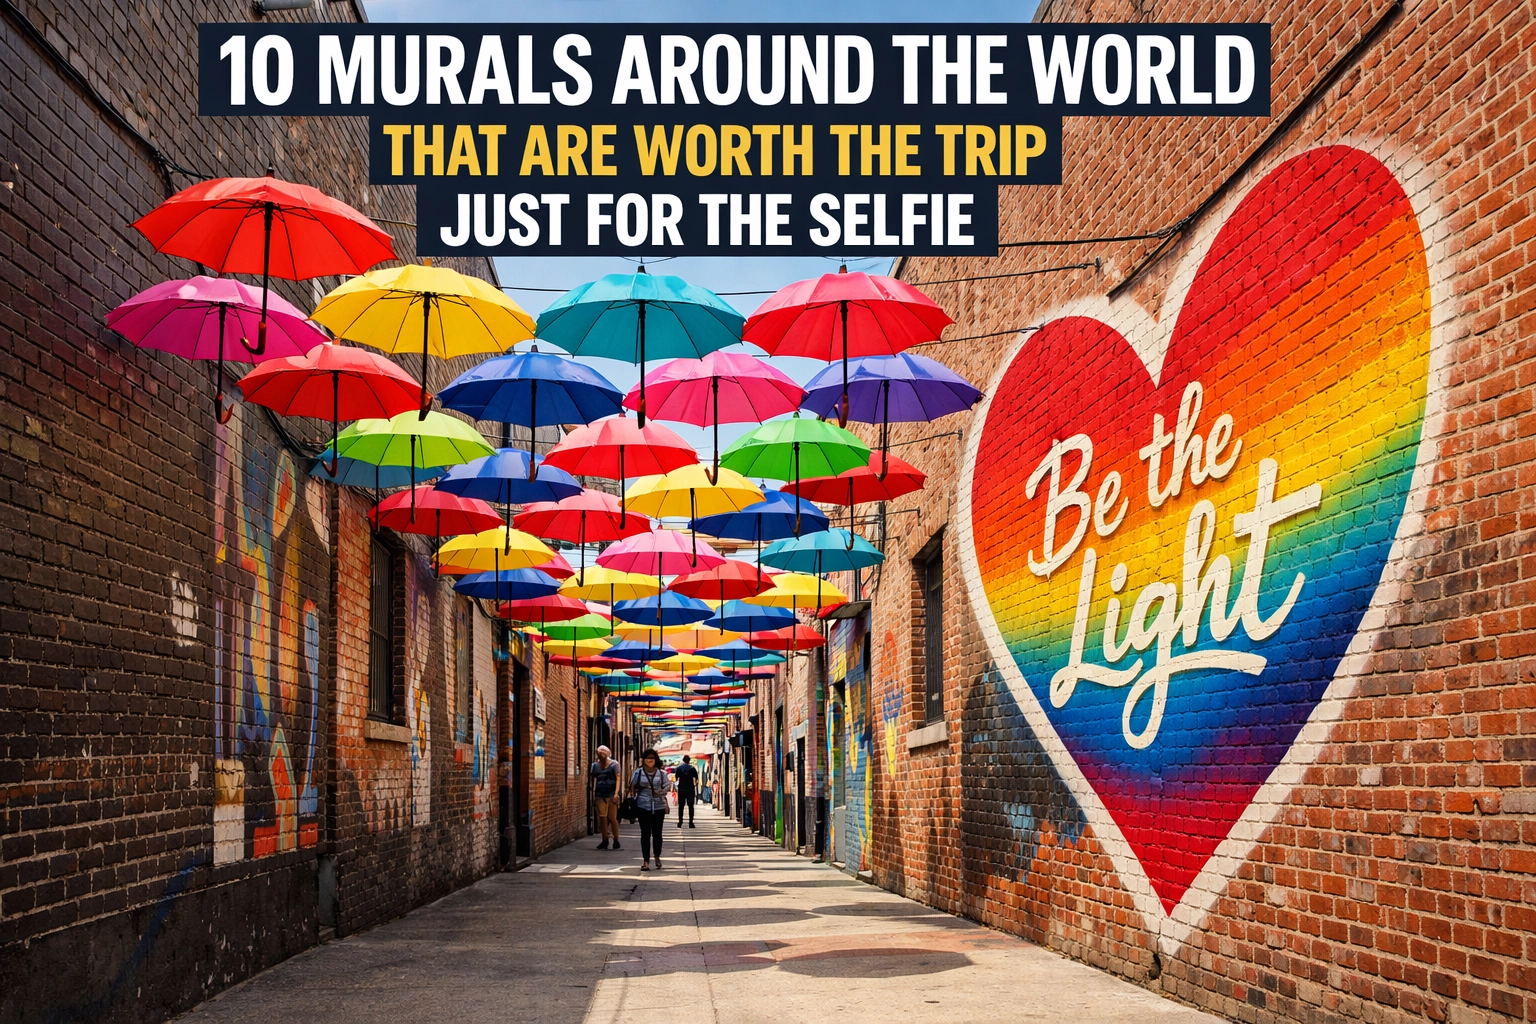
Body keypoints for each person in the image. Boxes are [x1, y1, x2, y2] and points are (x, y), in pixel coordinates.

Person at [631, 748, 672, 871]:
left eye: (652, 758)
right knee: (645, 834)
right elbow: (632, 785)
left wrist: (660, 792)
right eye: (648, 758)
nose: (650, 760)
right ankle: (646, 861)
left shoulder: (661, 773)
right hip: (643, 805)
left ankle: (657, 856)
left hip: (658, 805)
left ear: (656, 760)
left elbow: (667, 786)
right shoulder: (638, 772)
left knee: (657, 834)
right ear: (643, 760)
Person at [589, 745, 621, 850]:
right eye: (600, 753)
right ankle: (605, 839)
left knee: (612, 817)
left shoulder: (614, 764)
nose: (602, 755)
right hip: (600, 794)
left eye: (603, 753)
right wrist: (594, 793)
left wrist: (616, 793)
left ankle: (616, 839)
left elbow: (618, 778)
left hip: (611, 793)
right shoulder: (595, 765)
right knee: (602, 817)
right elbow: (594, 779)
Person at [673, 755, 700, 828]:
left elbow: (676, 778)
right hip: (690, 789)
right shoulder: (692, 768)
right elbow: (696, 778)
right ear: (689, 760)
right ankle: (691, 823)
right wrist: (694, 785)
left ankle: (680, 822)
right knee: (691, 806)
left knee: (681, 807)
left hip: (681, 789)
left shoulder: (679, 768)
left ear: (683, 760)